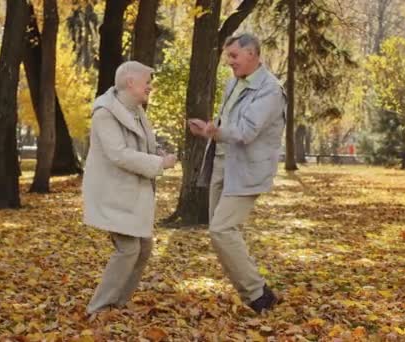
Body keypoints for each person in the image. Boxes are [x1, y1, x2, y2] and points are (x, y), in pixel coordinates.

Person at [188, 33, 286, 314]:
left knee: (222, 230)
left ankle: (258, 294)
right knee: (219, 231)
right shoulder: (234, 83)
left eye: (233, 56)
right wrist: (209, 128)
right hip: (222, 163)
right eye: (227, 56)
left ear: (252, 54)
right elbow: (229, 123)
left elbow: (247, 131)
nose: (229, 62)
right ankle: (255, 292)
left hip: (247, 170)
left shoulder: (270, 90)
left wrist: (216, 132)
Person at [82, 61, 176, 317]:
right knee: (129, 249)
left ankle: (118, 303)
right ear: (130, 82)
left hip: (131, 194)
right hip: (113, 194)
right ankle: (99, 308)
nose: (150, 86)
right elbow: (119, 154)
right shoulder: (105, 113)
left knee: (143, 248)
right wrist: (159, 163)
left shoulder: (135, 111)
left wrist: (154, 151)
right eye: (147, 81)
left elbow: (137, 145)